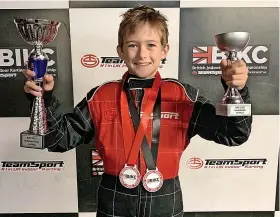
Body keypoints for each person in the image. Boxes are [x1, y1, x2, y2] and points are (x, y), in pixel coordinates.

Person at [23, 5, 252, 217]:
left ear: (165, 50)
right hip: (114, 202)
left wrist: (237, 90)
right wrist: (43, 98)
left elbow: (233, 134)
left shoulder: (183, 96)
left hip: (166, 202)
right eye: (133, 45)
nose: (142, 54)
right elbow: (57, 140)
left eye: (151, 45)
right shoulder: (101, 96)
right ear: (120, 51)